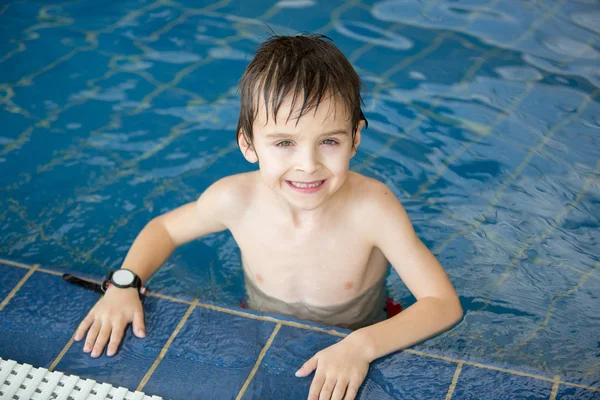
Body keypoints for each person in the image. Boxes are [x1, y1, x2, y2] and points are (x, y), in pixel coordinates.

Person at [74, 33, 463, 400]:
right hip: (258, 322)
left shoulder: (373, 208)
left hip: (360, 329)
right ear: (248, 144)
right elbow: (165, 229)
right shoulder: (235, 199)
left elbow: (442, 304)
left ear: (355, 138)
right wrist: (124, 285)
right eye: (284, 143)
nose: (308, 165)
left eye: (329, 141)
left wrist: (363, 345)